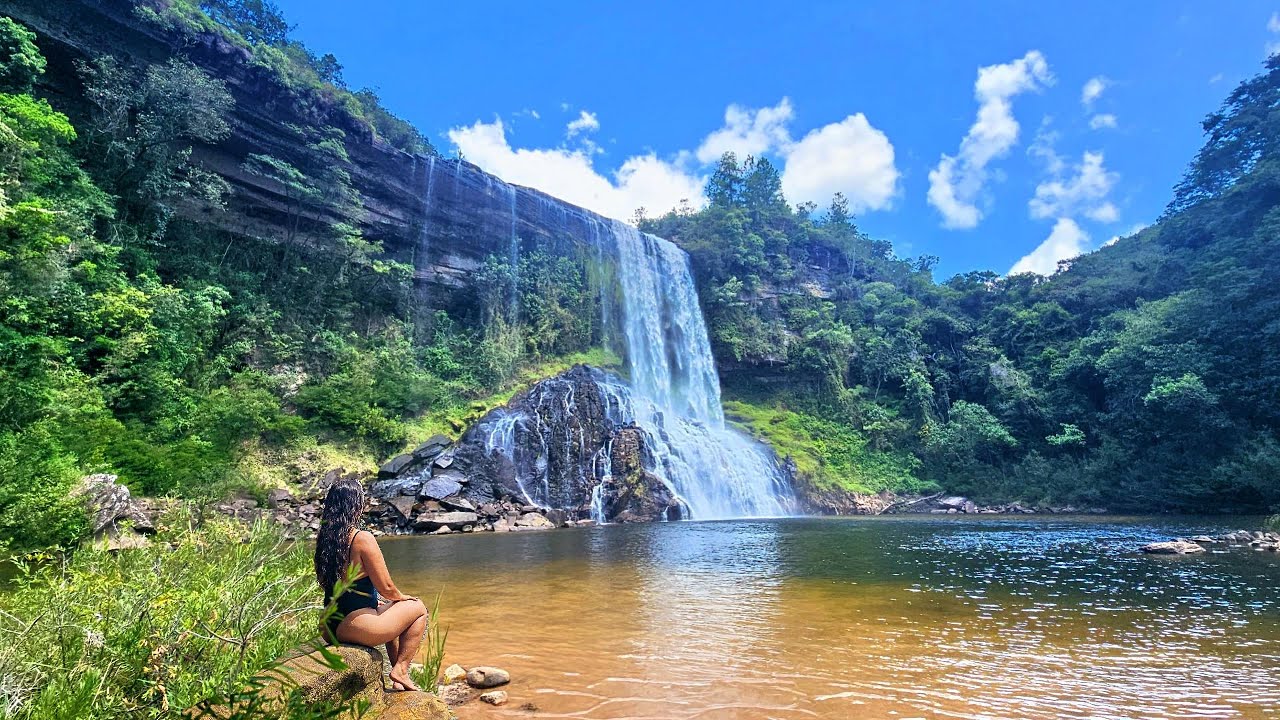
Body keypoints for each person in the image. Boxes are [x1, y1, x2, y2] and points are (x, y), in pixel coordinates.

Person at [314, 479, 428, 691]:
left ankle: (397, 679)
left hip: (329, 627)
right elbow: (386, 587)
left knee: (391, 611)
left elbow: (328, 583)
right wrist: (402, 598)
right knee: (418, 608)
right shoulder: (361, 538)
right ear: (356, 504)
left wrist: (384, 602)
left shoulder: (326, 538)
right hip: (356, 626)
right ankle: (401, 669)